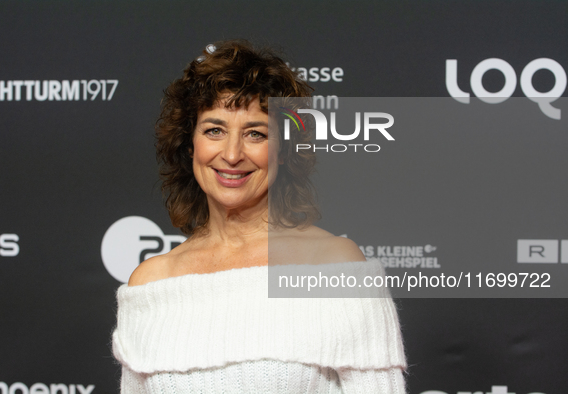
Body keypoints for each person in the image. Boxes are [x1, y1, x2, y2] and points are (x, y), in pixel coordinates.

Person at [112, 40, 407, 393]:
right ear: (190, 146)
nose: (232, 154)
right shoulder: (151, 284)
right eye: (214, 130)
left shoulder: (333, 265)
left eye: (255, 133)